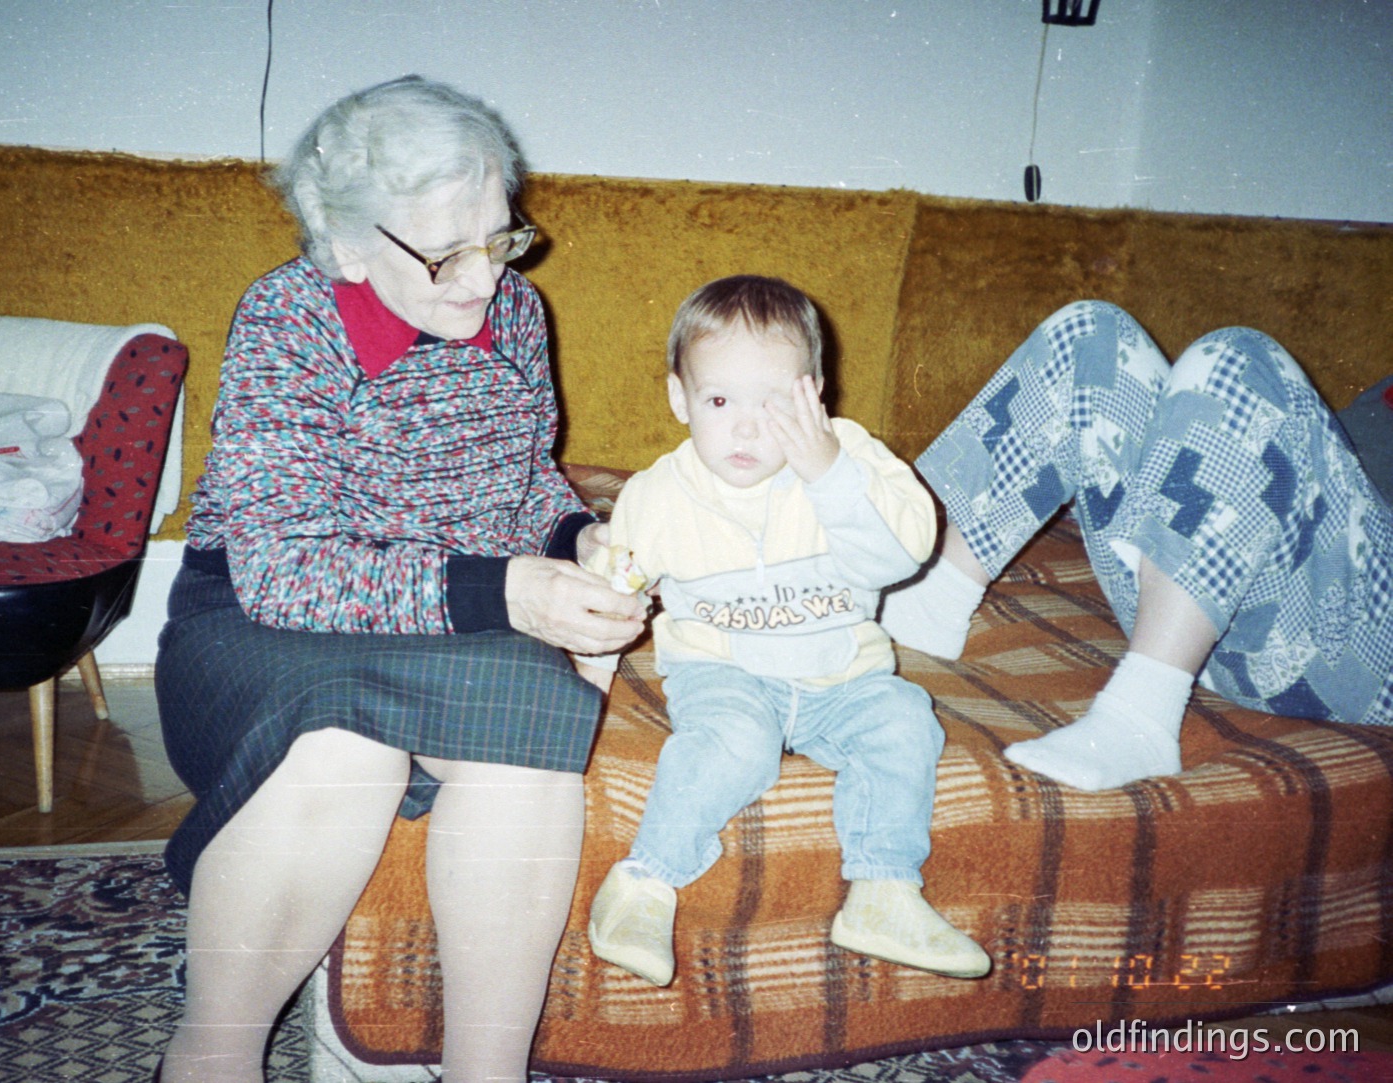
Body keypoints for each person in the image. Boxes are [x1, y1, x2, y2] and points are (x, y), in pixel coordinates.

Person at [154, 76, 645, 1083]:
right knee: (347, 751)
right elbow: (285, 569)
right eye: (444, 253)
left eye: (501, 237)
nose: (482, 280)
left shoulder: (515, 308)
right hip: (261, 615)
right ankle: (210, 1063)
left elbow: (521, 481)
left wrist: (573, 538)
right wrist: (505, 593)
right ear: (345, 244)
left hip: (447, 609)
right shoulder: (289, 319)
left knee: (530, 724)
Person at [583, 275, 992, 988]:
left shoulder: (851, 460)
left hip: (845, 675)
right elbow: (613, 596)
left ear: (815, 394)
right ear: (679, 397)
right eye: (718, 401)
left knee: (904, 719)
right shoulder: (655, 497)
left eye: (773, 403)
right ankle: (643, 882)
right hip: (724, 670)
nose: (745, 428)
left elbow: (901, 556)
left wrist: (828, 473)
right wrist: (601, 585)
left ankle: (882, 890)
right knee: (731, 743)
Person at [880, 300, 1393, 792]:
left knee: (1240, 359)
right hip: (1265, 587)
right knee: (1091, 335)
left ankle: (1141, 717)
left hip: (1357, 646)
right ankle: (937, 595)